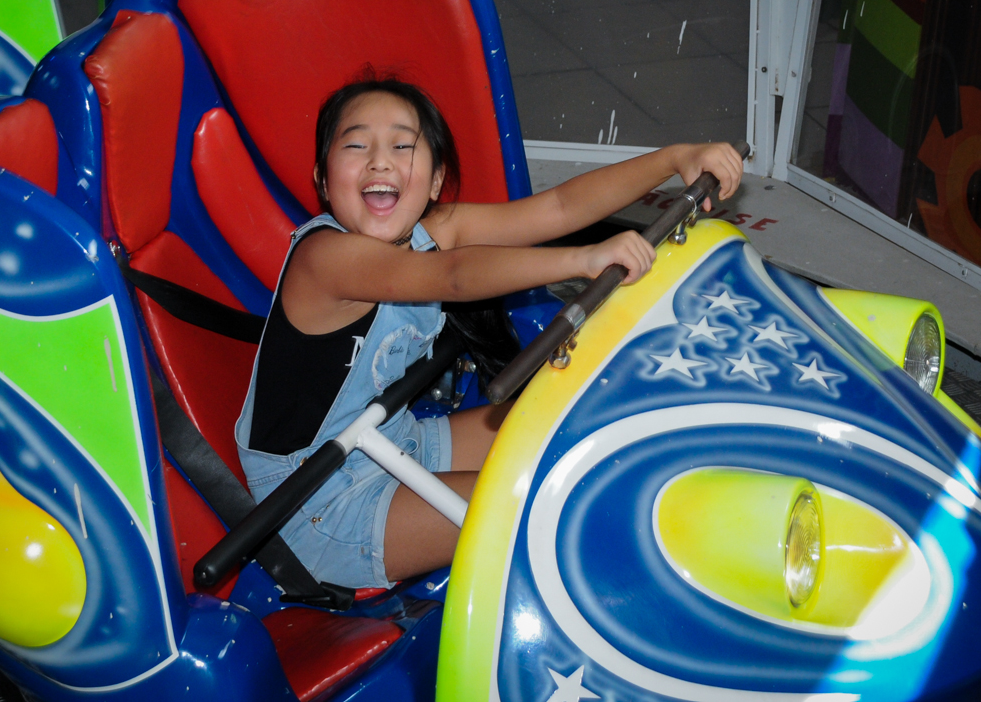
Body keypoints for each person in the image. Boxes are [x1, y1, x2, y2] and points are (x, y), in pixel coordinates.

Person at [236, 74, 743, 589]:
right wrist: (582, 260)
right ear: (323, 179)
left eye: (402, 145)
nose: (379, 160)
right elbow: (451, 276)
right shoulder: (325, 258)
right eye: (357, 144)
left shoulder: (431, 230)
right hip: (314, 500)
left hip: (387, 438)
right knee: (541, 500)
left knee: (568, 425)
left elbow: (558, 209)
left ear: (434, 182)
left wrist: (672, 159)